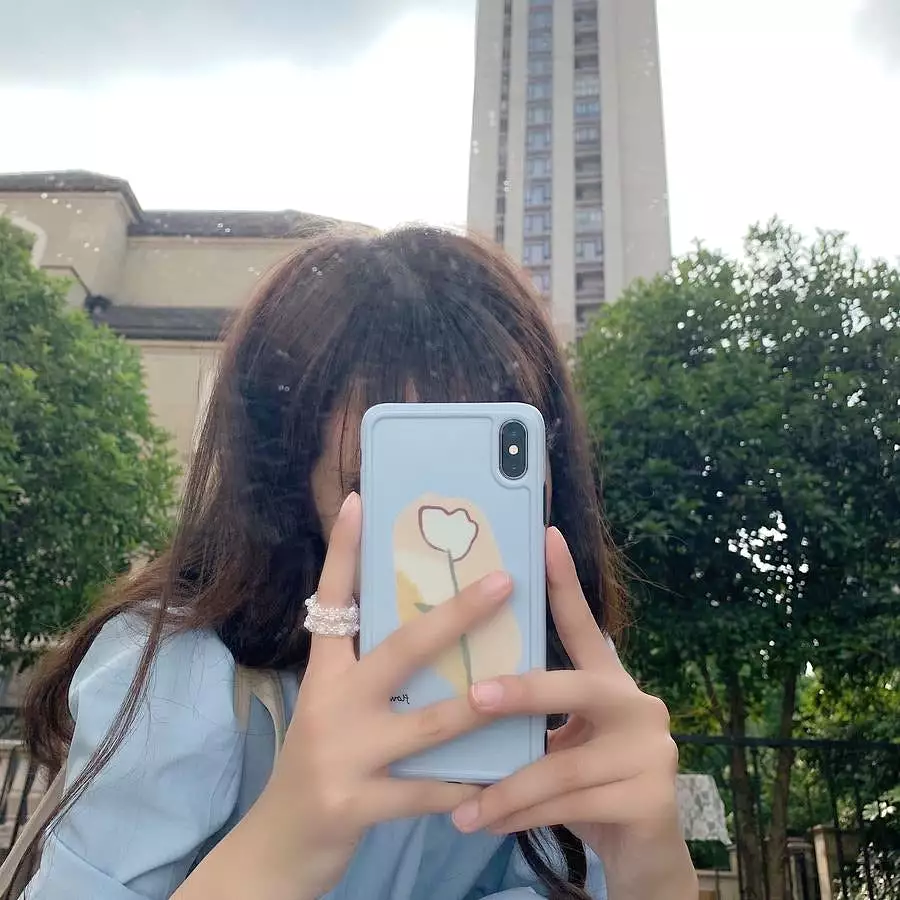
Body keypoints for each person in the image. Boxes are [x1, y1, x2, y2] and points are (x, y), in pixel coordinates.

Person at [17, 226, 697, 900]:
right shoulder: (183, 669)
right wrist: (280, 847)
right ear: (290, 486)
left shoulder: (565, 687)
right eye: (393, 479)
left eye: (489, 477)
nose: (440, 528)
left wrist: (653, 874)